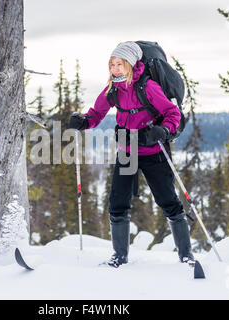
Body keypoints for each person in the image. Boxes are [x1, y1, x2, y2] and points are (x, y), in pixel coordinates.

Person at [68, 41, 195, 268]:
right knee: (118, 203)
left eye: (120, 64)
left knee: (169, 203)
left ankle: (186, 256)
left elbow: (172, 113)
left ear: (131, 64)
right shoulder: (113, 89)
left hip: (154, 151)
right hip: (127, 152)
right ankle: (119, 256)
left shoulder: (148, 87)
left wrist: (163, 130)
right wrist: (84, 122)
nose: (115, 68)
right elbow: (97, 113)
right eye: (112, 64)